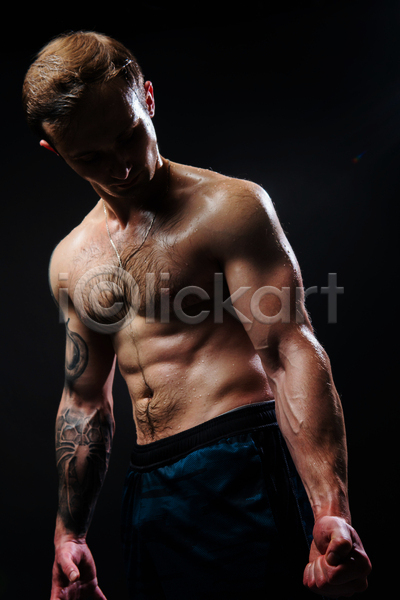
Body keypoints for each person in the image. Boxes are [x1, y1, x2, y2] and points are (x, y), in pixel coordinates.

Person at [22, 31, 371, 600]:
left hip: (242, 462)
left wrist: (331, 511)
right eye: (91, 157)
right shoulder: (71, 259)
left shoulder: (228, 208)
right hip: (150, 486)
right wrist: (70, 535)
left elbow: (288, 350)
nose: (121, 166)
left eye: (128, 136)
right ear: (55, 152)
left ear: (148, 98)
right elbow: (84, 401)